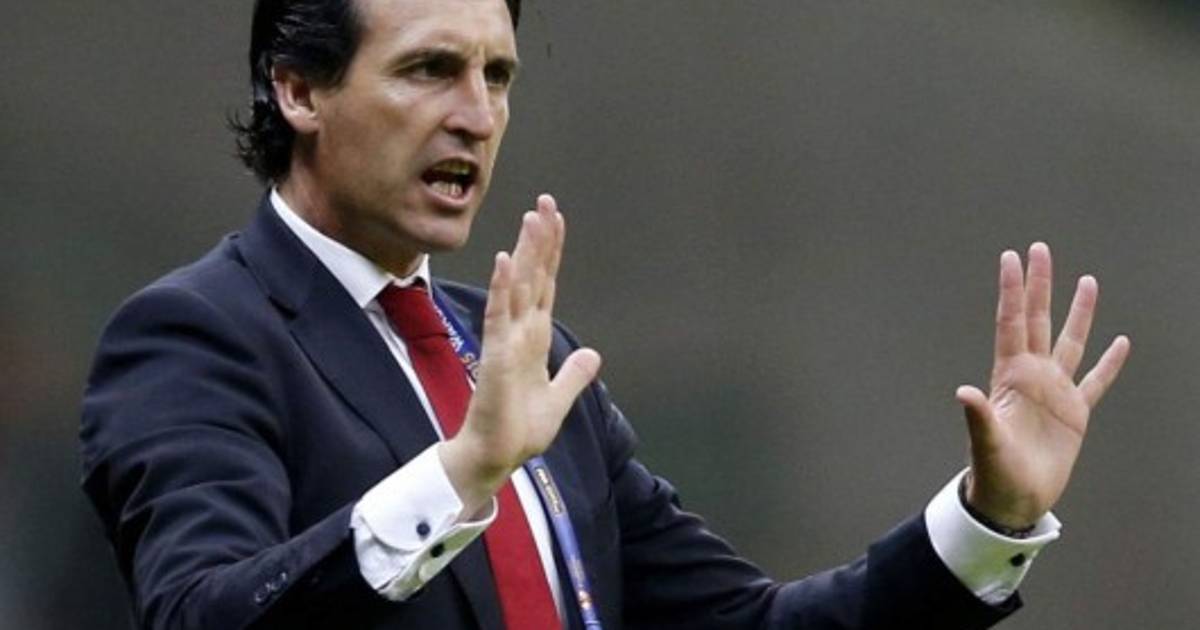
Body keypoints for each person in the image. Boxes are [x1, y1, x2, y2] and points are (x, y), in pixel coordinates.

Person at [79, 0, 1131, 628]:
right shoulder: (196, 336)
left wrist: (986, 523)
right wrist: (462, 474)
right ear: (299, 91)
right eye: (430, 70)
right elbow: (201, 614)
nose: (477, 116)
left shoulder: (527, 359)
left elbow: (752, 625)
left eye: (497, 76)